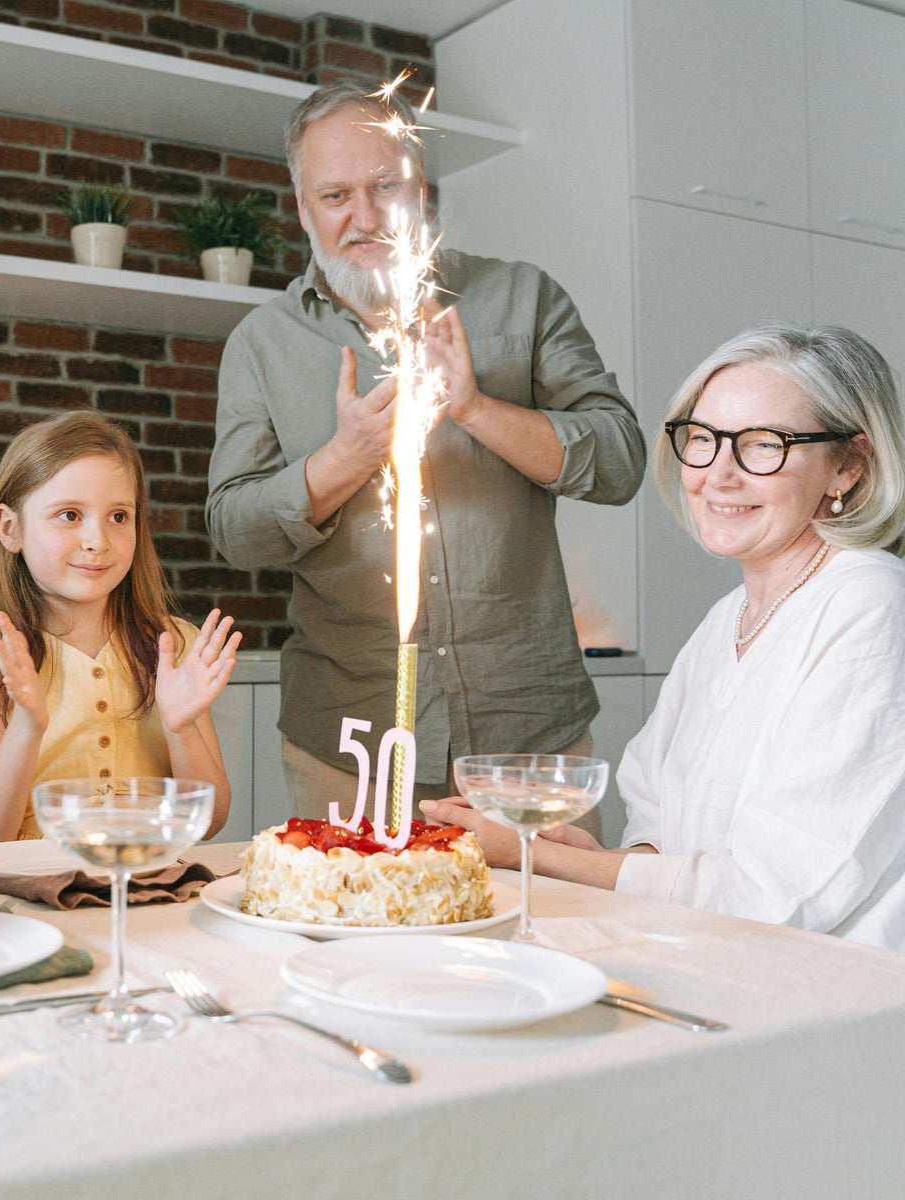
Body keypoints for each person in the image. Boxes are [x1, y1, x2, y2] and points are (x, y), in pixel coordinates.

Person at [206, 80, 646, 821]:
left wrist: (474, 408)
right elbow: (233, 531)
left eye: (385, 187)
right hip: (349, 745)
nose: (365, 217)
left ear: (422, 186)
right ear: (303, 205)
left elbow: (622, 459)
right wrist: (344, 457)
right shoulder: (261, 344)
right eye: (336, 196)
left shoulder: (523, 298)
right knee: (354, 940)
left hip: (526, 736)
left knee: (555, 936)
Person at [425, 324, 905, 951]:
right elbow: (658, 817)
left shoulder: (871, 605)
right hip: (704, 956)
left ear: (847, 465)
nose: (718, 474)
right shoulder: (728, 618)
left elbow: (776, 894)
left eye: (765, 445)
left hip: (827, 994)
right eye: (702, 440)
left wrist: (538, 858)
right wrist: (595, 852)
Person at [0, 412, 238, 845]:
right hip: (38, 892)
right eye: (70, 515)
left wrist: (181, 730)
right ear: (10, 529)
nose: (98, 540)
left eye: (119, 517)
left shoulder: (173, 645)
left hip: (148, 886)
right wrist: (27, 727)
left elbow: (210, 821)